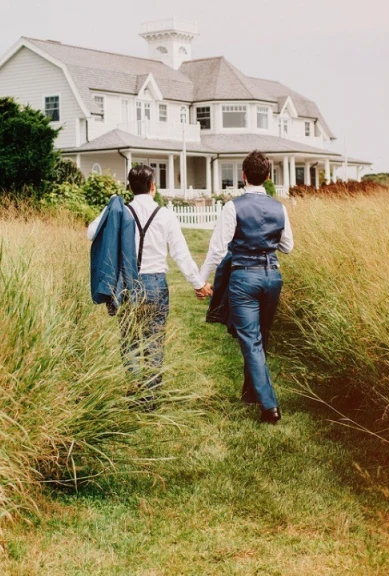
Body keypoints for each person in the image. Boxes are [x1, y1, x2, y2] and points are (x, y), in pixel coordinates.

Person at [87, 165, 210, 399]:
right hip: (155, 284)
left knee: (130, 339)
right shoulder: (165, 215)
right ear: (153, 186)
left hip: (127, 284)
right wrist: (198, 283)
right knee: (154, 338)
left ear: (130, 188)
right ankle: (150, 395)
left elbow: (91, 232)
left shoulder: (120, 212)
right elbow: (180, 254)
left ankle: (134, 389)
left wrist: (110, 208)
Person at [200, 150, 294, 424]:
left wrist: (202, 279)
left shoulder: (233, 207)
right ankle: (250, 393)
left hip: (244, 278)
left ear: (243, 176)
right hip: (272, 277)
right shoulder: (280, 208)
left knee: (252, 341)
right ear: (268, 176)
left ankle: (270, 407)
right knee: (260, 337)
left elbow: (218, 249)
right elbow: (288, 246)